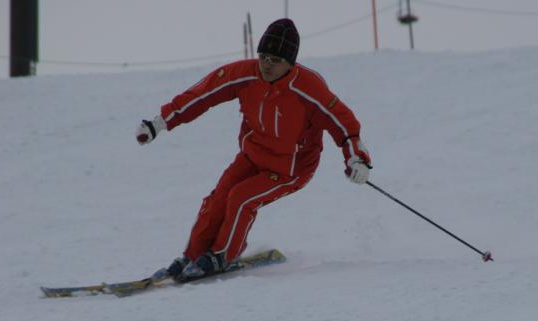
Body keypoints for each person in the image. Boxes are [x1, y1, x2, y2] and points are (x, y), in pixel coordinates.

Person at [136, 18, 372, 282]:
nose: (267, 65)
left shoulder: (308, 87)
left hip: (290, 169)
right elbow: (202, 94)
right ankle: (192, 256)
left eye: (275, 60)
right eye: (263, 57)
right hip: (252, 157)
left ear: (290, 63)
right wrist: (160, 123)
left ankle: (223, 256)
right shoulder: (246, 75)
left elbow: (344, 123)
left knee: (241, 198)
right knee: (217, 199)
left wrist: (356, 159)